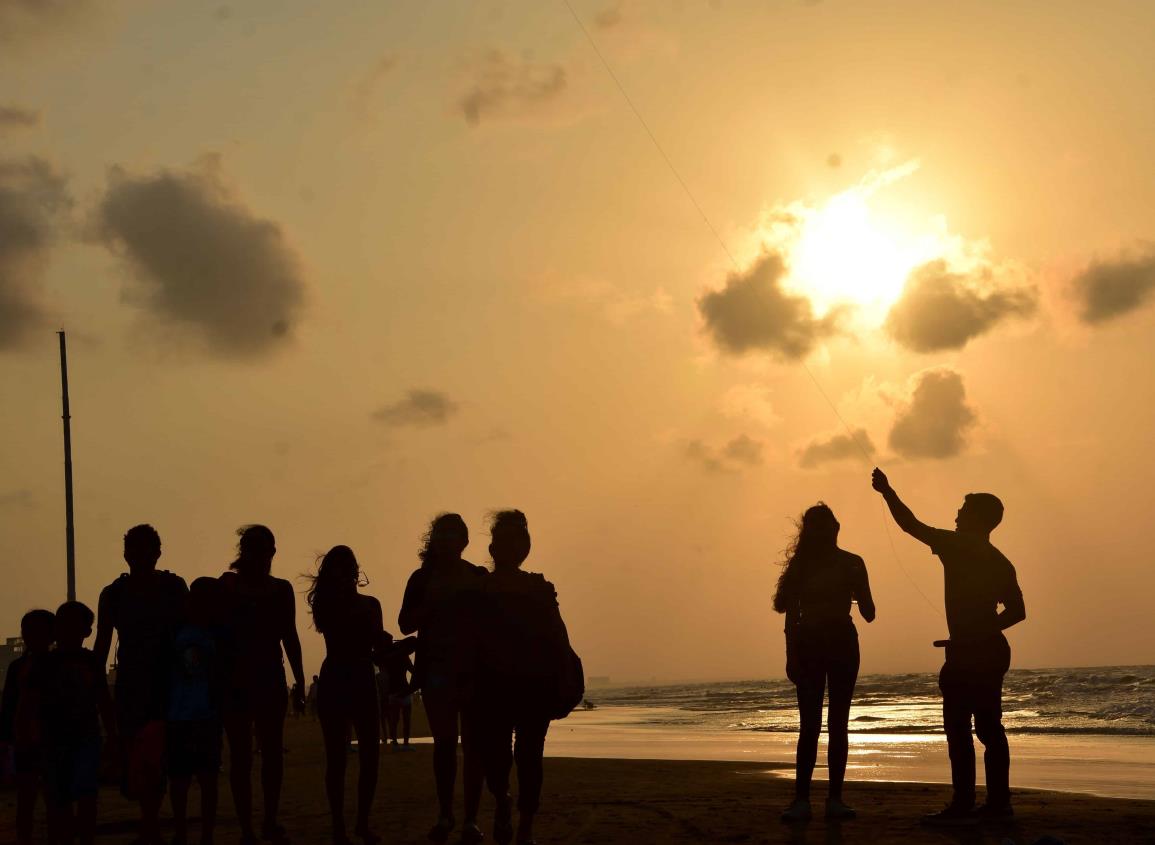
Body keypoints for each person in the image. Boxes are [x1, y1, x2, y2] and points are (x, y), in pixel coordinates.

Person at [871, 468, 1026, 825]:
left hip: (975, 653)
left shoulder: (959, 546)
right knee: (986, 728)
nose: (956, 514)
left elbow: (911, 525)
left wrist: (887, 492)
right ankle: (994, 803)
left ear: (978, 519)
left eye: (963, 509)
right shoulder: (1000, 560)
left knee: (963, 727)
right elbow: (1017, 612)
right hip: (986, 650)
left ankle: (969, 804)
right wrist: (986, 629)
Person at [475, 510, 575, 845]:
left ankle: (525, 826)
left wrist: (568, 672)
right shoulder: (482, 588)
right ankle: (503, 801)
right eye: (504, 540)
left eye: (519, 540)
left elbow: (558, 634)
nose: (512, 547)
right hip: (494, 684)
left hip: (534, 684)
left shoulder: (539, 587)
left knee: (530, 755)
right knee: (497, 756)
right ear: (493, 548)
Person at [772, 503, 875, 823]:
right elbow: (788, 614)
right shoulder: (812, 566)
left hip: (833, 644)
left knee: (828, 724)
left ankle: (826, 799)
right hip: (817, 645)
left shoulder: (846, 564)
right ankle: (811, 799)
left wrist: (858, 588)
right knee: (818, 725)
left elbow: (869, 612)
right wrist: (791, 655)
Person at [94, 524, 189, 844]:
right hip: (135, 686)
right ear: (126, 554)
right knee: (140, 755)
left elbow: (187, 637)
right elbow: (102, 645)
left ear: (157, 553)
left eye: (145, 549)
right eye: (135, 550)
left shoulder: (173, 588)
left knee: (161, 756)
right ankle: (151, 822)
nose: (140, 556)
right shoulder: (115, 594)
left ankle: (153, 823)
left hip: (165, 684)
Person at [398, 513, 487, 843]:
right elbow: (405, 623)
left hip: (475, 673)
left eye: (453, 536)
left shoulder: (478, 577)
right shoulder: (421, 580)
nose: (448, 541)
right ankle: (446, 814)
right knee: (445, 746)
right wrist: (433, 606)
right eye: (441, 535)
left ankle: (471, 819)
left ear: (464, 541)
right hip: (436, 673)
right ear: (434, 541)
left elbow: (493, 625)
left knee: (474, 746)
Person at [219, 525, 307, 844]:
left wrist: (298, 682)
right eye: (254, 549)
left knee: (268, 754)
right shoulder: (228, 586)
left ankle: (267, 820)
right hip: (238, 681)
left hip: (268, 679)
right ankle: (250, 826)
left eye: (263, 550)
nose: (260, 556)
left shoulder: (279, 590)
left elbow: (290, 638)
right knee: (244, 756)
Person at [305, 545, 390, 845]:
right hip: (341, 677)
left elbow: (377, 649)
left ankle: (360, 823)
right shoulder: (329, 604)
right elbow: (348, 633)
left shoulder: (370, 604)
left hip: (359, 677)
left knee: (370, 756)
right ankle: (341, 825)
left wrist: (391, 649)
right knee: (338, 757)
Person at [41, 601, 116, 845]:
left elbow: (103, 699)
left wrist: (112, 736)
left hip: (81, 738)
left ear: (85, 631)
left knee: (78, 797)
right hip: (59, 739)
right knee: (62, 798)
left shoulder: (88, 662)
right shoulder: (48, 663)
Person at [168, 577, 228, 845]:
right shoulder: (180, 633)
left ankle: (202, 834)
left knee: (202, 778)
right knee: (186, 779)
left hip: (202, 715)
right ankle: (188, 833)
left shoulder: (214, 635)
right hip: (183, 716)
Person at [0, 609, 56, 845]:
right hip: (31, 741)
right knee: (35, 798)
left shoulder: (27, 666)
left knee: (41, 798)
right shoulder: (20, 667)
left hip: (47, 740)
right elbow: (9, 706)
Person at [376, 633, 415, 750]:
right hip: (403, 690)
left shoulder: (387, 657)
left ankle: (395, 743)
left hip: (393, 692)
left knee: (394, 720)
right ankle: (405, 743)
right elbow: (413, 670)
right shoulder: (401, 655)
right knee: (404, 719)